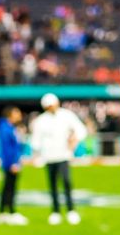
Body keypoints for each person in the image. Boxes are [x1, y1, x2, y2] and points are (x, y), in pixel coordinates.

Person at [30, 93, 87, 224]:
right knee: (53, 185)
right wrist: (36, 156)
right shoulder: (41, 120)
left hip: (64, 155)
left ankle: (71, 210)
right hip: (49, 157)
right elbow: (36, 141)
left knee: (67, 183)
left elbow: (80, 130)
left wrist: (74, 140)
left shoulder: (66, 115)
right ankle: (55, 211)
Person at [0, 106, 27, 225]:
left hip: (12, 162)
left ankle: (4, 212)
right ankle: (9, 212)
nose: (19, 115)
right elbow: (8, 148)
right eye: (17, 113)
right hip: (11, 163)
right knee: (9, 188)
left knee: (8, 187)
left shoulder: (9, 127)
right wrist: (13, 163)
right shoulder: (6, 128)